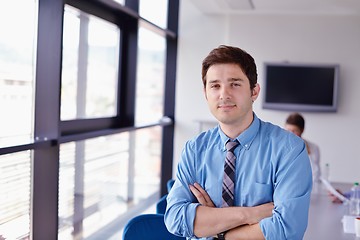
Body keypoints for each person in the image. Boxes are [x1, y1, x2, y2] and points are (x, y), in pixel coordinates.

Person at [164, 45, 312, 240]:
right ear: (205, 93)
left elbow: (286, 230)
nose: (224, 94)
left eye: (235, 84)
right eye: (215, 85)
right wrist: (248, 215)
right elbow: (175, 219)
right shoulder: (195, 149)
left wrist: (217, 229)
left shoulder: (289, 150)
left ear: (254, 91)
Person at [284, 113, 321, 183]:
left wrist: (308, 154)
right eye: (288, 130)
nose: (291, 134)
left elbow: (316, 175)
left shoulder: (313, 148)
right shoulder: (279, 147)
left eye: (294, 131)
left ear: (302, 130)